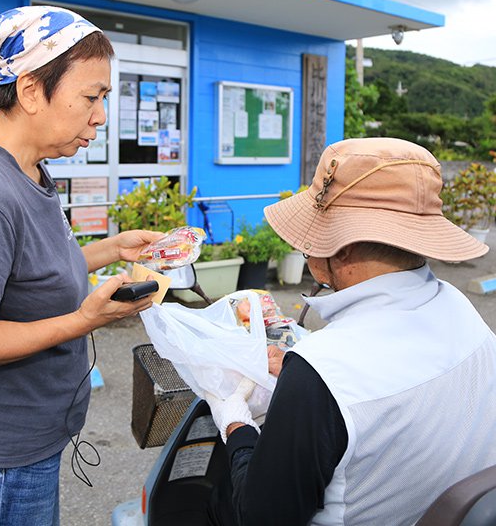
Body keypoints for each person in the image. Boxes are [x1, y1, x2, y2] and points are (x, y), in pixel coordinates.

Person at [0, 5, 163, 526]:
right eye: (91, 97)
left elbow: (29, 271)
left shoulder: (31, 168)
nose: (101, 116)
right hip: (2, 455)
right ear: (32, 90)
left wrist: (112, 248)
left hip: (32, 436)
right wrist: (86, 320)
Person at [205, 137, 496, 526]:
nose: (307, 251)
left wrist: (236, 425)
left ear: (341, 249)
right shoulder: (461, 309)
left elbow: (260, 515)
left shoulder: (322, 371)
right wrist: (298, 374)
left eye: (312, 238)